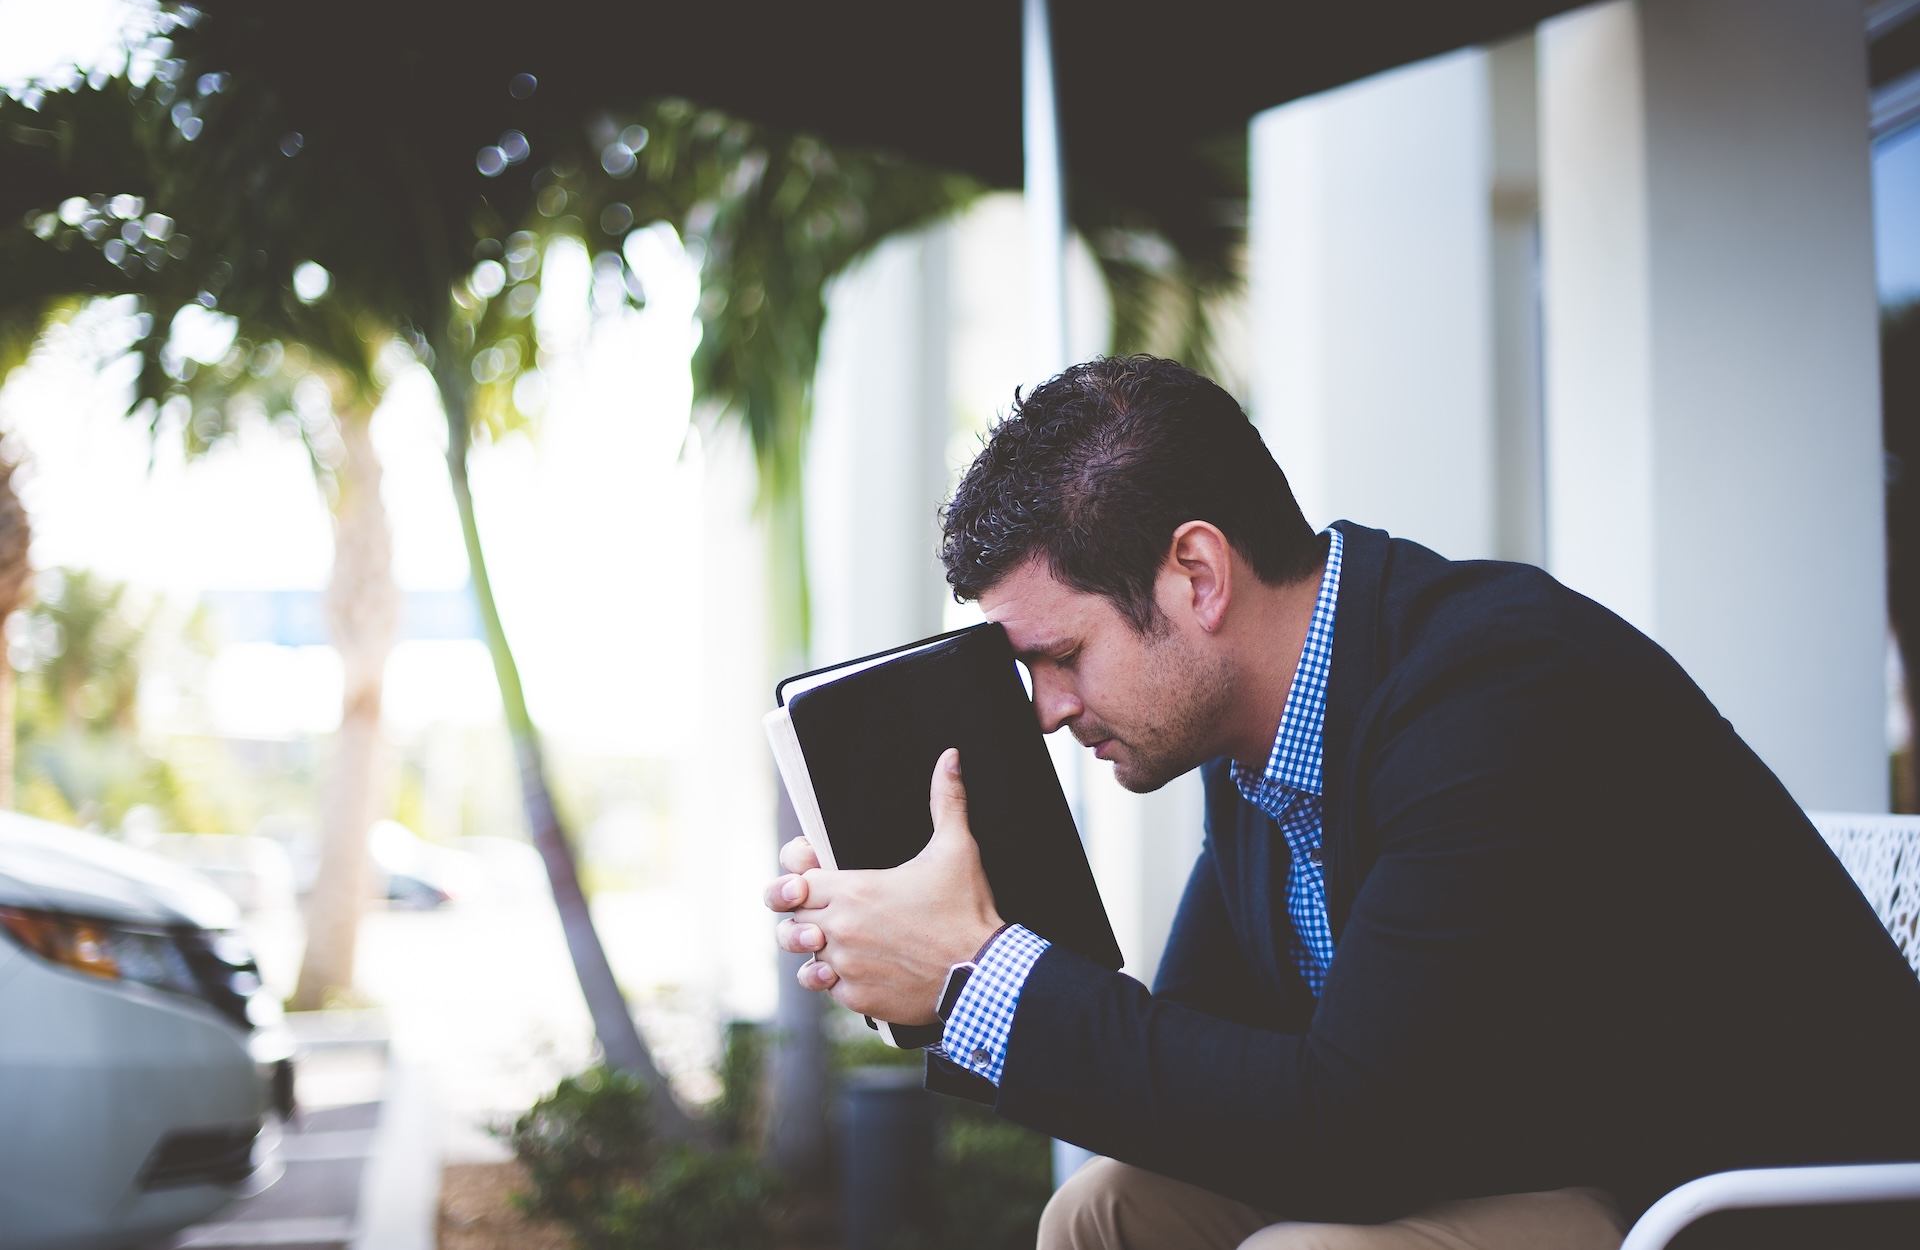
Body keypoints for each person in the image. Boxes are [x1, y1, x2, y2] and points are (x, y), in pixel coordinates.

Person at [765, 356, 1920, 1250]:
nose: (1049, 710)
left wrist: (987, 979)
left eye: (1061, 653)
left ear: (1198, 575)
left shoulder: (1495, 691)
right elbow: (1200, 1074)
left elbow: (1350, 1132)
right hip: (1502, 1138)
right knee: (1105, 1213)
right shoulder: (1253, 744)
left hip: (1728, 1192)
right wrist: (934, 957)